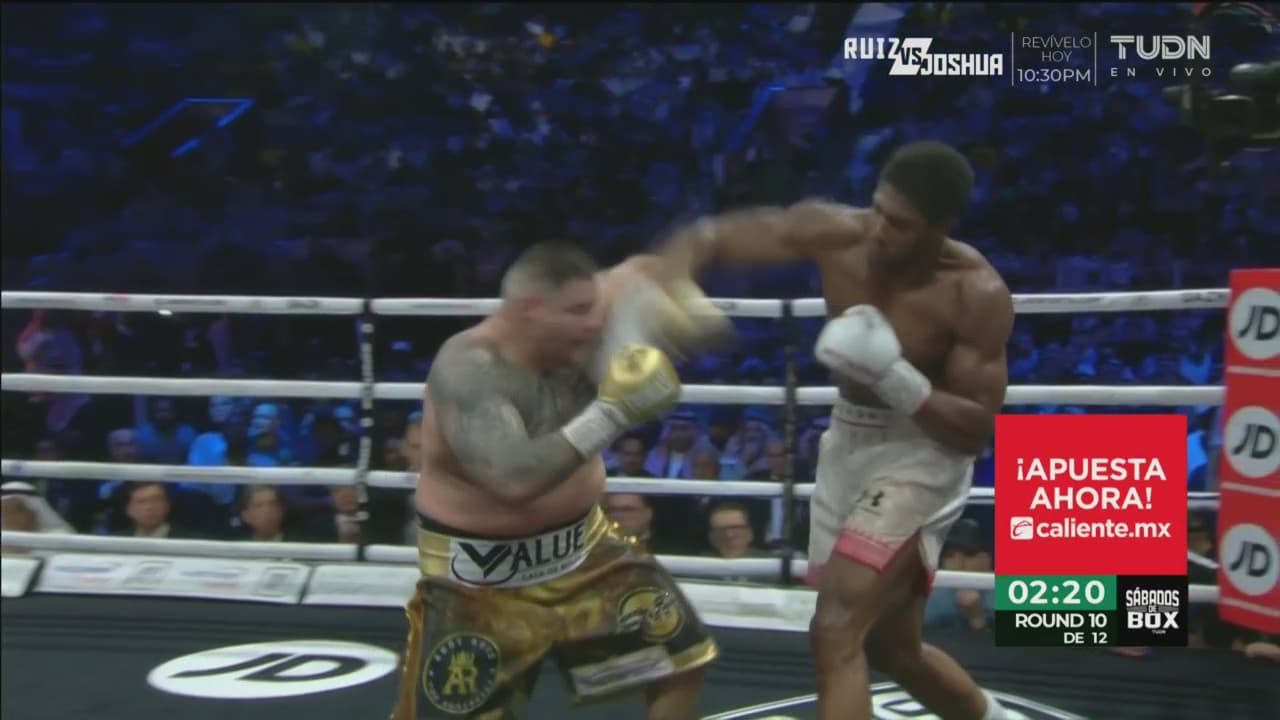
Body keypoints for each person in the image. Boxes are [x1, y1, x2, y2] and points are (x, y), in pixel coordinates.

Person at [659, 141, 1016, 720]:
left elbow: (975, 429)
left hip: (922, 455)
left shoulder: (974, 292)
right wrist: (674, 271)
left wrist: (892, 374)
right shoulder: (838, 232)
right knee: (892, 649)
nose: (880, 231)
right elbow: (720, 235)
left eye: (901, 224)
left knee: (835, 628)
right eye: (879, 210)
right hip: (847, 441)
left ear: (941, 227)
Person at [390, 242, 730, 720]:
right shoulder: (470, 369)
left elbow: (657, 269)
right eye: (577, 312)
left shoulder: (593, 309)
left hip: (582, 550)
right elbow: (513, 480)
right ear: (530, 310)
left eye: (592, 307)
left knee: (681, 657)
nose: (593, 322)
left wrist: (684, 317)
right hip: (479, 577)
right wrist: (614, 413)